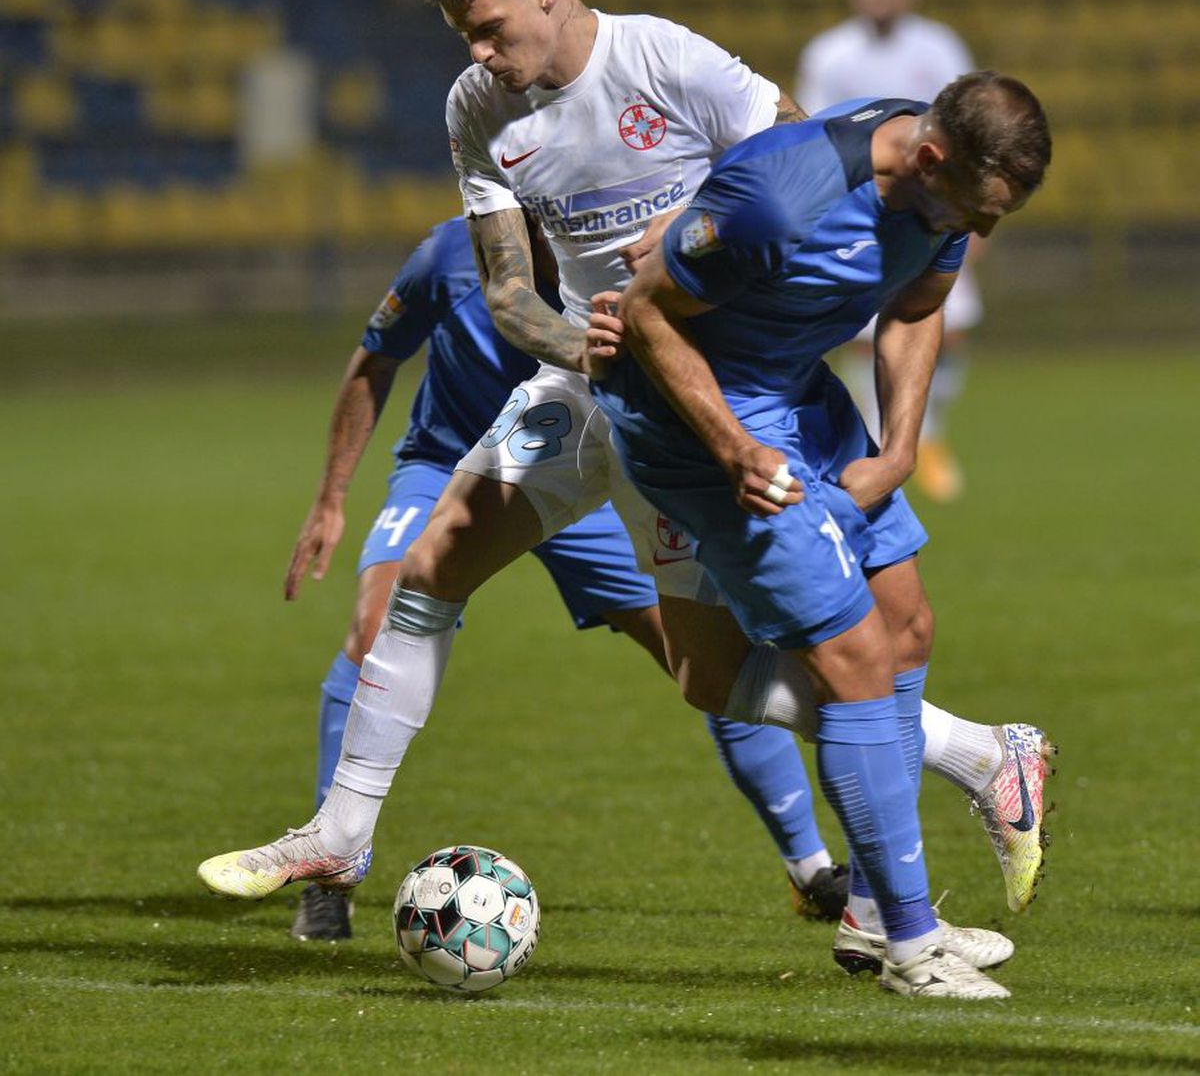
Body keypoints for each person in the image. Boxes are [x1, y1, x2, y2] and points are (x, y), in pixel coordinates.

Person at [198, 0, 1052, 979]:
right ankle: (341, 832)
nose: (479, 51)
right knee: (433, 568)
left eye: (491, 25)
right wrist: (581, 336)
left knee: (737, 663)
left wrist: (686, 243)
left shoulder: (666, 61)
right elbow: (508, 288)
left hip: (709, 391)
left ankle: (938, 824)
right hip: (594, 377)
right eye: (465, 32)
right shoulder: (477, 108)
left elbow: (790, 160)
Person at [592, 72, 1053, 998]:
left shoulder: (946, 191)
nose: (984, 230)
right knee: (853, 666)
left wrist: (899, 450)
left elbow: (916, 307)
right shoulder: (779, 199)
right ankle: (915, 949)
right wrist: (731, 448)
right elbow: (643, 314)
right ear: (929, 158)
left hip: (799, 391)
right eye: (978, 209)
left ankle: (882, 909)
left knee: (907, 625)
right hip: (703, 422)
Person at [285, 214, 847, 940]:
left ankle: (811, 869)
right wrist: (331, 497)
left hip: (582, 471)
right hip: (447, 465)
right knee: (378, 620)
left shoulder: (622, 257)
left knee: (705, 653)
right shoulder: (448, 256)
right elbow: (374, 358)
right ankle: (332, 873)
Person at [796, 0, 982, 501]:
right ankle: (882, 440)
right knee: (863, 336)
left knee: (950, 327)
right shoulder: (829, 52)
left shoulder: (939, 46)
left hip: (940, 209)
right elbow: (812, 126)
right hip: (861, 209)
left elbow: (970, 124)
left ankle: (929, 435)